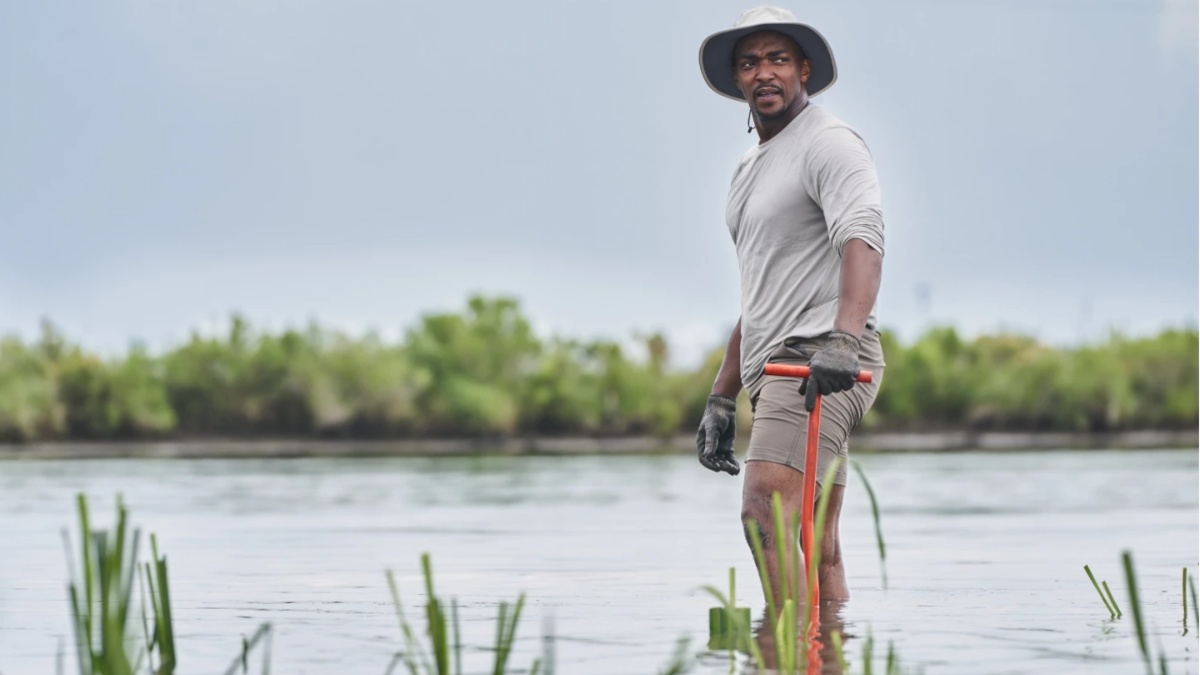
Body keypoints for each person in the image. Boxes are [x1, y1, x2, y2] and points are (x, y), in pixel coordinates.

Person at [694, 5, 888, 615]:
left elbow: (863, 238)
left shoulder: (828, 143)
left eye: (778, 58)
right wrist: (722, 397)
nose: (764, 72)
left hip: (816, 360)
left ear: (804, 69)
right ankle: (828, 650)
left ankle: (781, 652)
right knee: (817, 542)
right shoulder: (749, 169)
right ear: (737, 79)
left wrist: (844, 340)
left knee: (764, 513)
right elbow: (762, 294)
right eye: (750, 62)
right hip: (779, 364)